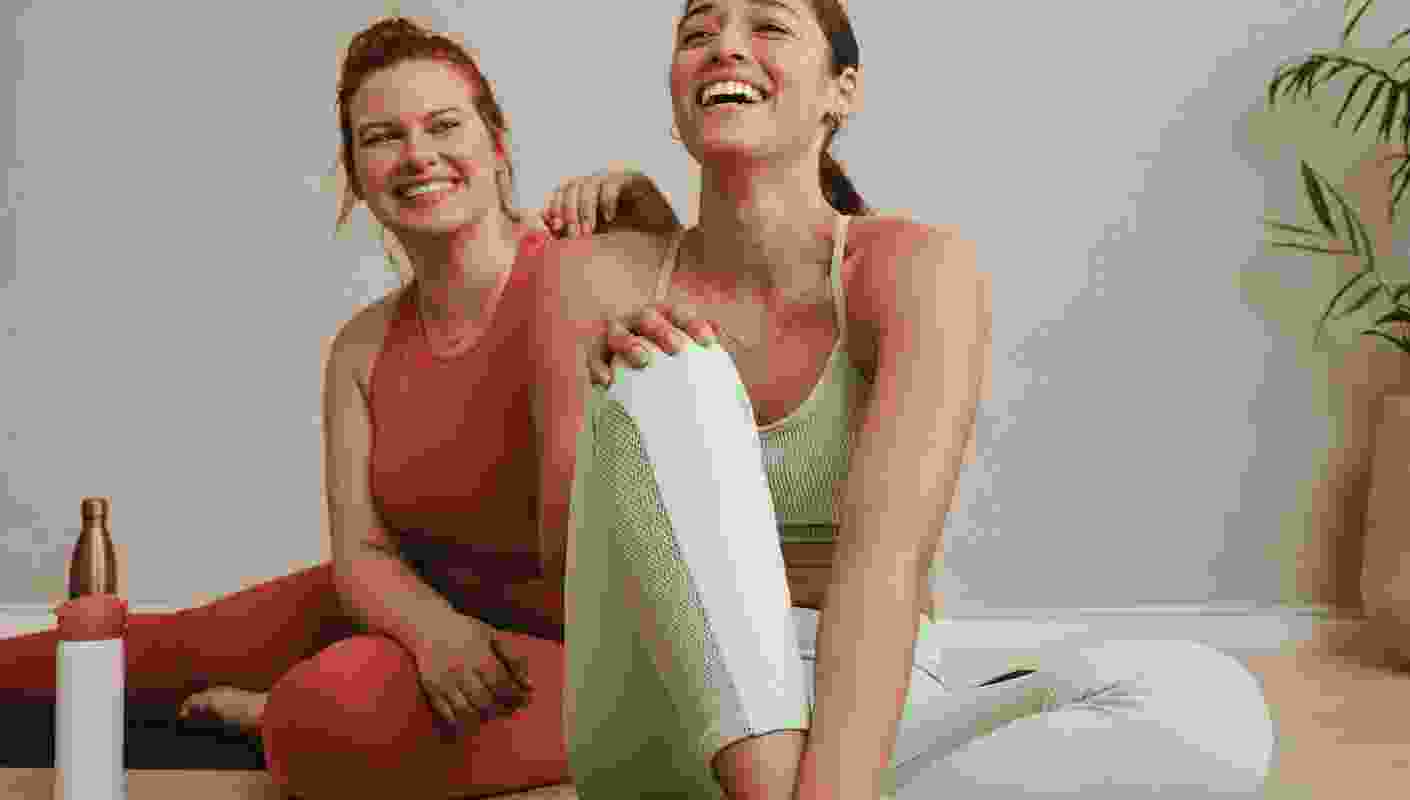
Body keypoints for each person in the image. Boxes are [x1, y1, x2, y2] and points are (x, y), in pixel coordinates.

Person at [526, 1, 1277, 797]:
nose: (726, 48)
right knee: (670, 368)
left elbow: (883, 564)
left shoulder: (916, 267)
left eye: (768, 25)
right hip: (661, 704)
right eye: (697, 33)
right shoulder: (592, 271)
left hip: (861, 690)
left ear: (842, 91)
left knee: (1210, 710)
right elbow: (569, 559)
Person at [0, 16, 680, 800]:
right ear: (356, 175)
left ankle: (277, 713)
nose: (417, 156)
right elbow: (362, 552)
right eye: (382, 138)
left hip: (568, 651)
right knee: (139, 652)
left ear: (498, 144)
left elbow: (715, 317)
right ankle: (288, 699)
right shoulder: (362, 346)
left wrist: (654, 225)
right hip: (417, 603)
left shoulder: (583, 271)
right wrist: (431, 631)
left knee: (329, 715)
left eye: (444, 126)